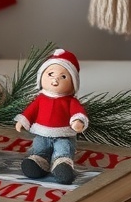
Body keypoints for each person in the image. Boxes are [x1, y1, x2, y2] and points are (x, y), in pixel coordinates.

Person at [14, 48, 88, 184]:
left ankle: (62, 165)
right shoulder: (40, 99)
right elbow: (31, 110)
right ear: (41, 77)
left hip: (63, 135)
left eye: (63, 76)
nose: (55, 80)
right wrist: (22, 121)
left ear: (73, 83)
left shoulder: (71, 101)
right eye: (51, 74)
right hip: (42, 133)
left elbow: (78, 112)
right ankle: (37, 162)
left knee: (63, 149)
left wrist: (78, 121)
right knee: (39, 147)